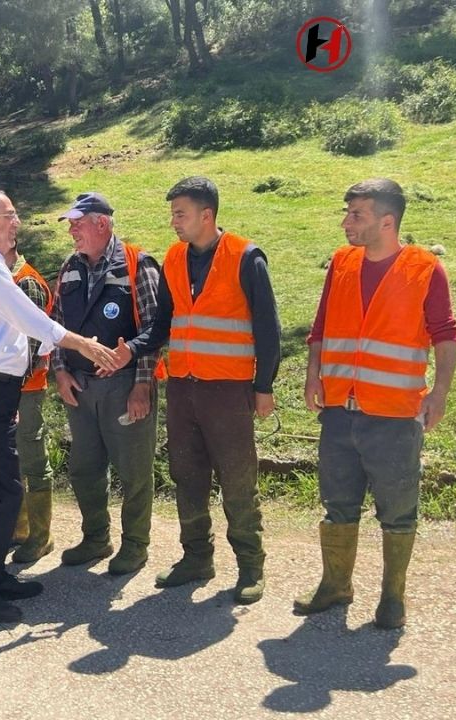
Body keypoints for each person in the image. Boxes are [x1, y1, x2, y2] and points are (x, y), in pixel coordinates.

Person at [296, 178, 456, 629]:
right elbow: (321, 325)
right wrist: (314, 374)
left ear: (388, 222)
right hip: (339, 411)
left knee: (397, 508)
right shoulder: (343, 262)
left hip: (394, 414)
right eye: (347, 213)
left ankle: (392, 596)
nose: (346, 222)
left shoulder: (425, 269)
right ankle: (335, 585)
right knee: (338, 503)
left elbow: (445, 335)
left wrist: (439, 393)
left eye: (357, 215)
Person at [0, 188, 118, 623]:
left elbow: (22, 325)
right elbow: (31, 318)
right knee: (2, 492)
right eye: (10, 215)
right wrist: (80, 343)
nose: (17, 222)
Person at [130, 176, 281, 605]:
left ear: (206, 215)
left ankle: (251, 565)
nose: (174, 222)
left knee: (237, 479)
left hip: (228, 391)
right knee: (187, 474)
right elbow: (162, 325)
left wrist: (264, 386)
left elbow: (268, 330)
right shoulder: (174, 259)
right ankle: (197, 557)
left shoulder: (246, 257)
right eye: (173, 213)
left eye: (180, 213)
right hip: (183, 388)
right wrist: (130, 351)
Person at [52, 192, 162, 575]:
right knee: (85, 470)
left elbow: (154, 329)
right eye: (70, 225)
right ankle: (95, 538)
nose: (71, 232)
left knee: (133, 471)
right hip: (80, 389)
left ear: (102, 223)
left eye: (77, 224)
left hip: (125, 386)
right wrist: (60, 370)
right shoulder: (69, 268)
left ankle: (135, 545)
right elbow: (55, 326)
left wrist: (142, 386)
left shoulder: (138, 264)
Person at [6, 241, 55, 561]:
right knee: (15, 460)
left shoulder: (25, 282)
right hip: (11, 389)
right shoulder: (8, 280)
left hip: (25, 390)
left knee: (33, 460)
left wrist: (12, 392)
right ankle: (20, 529)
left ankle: (40, 536)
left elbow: (32, 342)